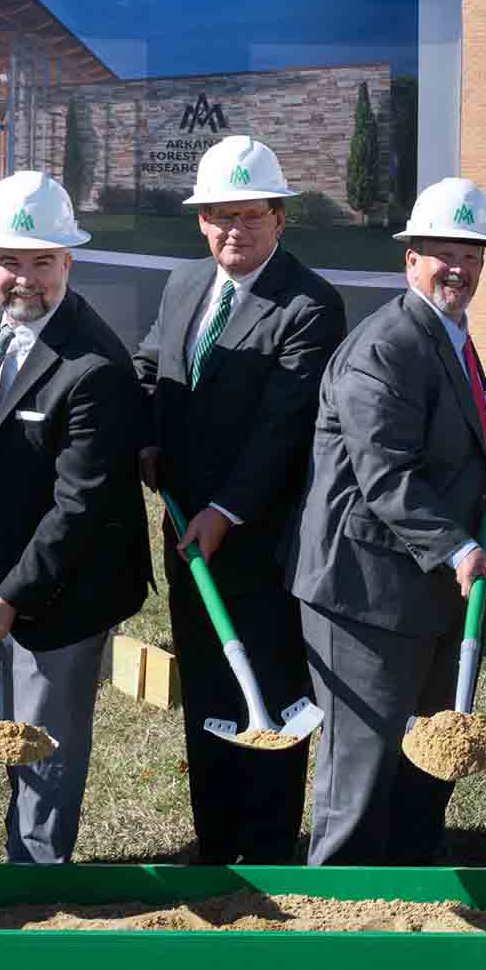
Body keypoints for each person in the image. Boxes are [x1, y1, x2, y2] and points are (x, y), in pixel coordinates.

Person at [293, 177, 486, 867]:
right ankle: (335, 914)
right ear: (410, 259)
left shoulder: (444, 330)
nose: (459, 268)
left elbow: (453, 387)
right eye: (441, 253)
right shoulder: (385, 346)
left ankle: (411, 896)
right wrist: (455, 546)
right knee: (359, 776)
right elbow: (384, 470)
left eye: (472, 255)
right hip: (361, 589)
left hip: (421, 586)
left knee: (427, 759)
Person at [134, 134, 349, 865]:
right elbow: (152, 362)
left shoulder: (310, 306)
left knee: (263, 675)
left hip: (258, 538)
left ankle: (264, 840)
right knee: (205, 679)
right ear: (200, 221)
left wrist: (226, 511)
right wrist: (143, 432)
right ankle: (216, 836)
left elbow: (281, 430)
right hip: (186, 530)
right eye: (219, 215)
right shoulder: (184, 284)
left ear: (279, 218)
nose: (233, 230)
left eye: (249, 215)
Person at [0, 173, 151, 864]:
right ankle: (25, 857)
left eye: (42, 262)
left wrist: (14, 595)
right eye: (10, 261)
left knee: (44, 737)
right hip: (10, 566)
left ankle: (36, 873)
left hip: (67, 585)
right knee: (15, 723)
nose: (24, 279)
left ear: (69, 261)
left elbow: (80, 506)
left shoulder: (93, 367)